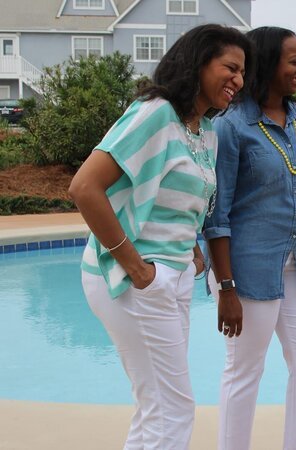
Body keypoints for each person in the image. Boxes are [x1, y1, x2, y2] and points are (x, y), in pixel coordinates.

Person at [69, 24, 250, 449]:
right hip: (138, 279)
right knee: (173, 408)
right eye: (231, 67)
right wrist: (135, 266)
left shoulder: (205, 130)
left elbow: (174, 191)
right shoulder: (155, 113)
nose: (239, 81)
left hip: (171, 275)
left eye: (243, 73)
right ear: (199, 61)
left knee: (156, 405)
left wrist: (188, 244)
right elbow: (84, 187)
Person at [203, 26, 296, 450]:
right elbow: (216, 215)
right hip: (246, 272)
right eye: (294, 61)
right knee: (245, 372)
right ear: (268, 63)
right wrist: (225, 287)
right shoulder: (230, 126)